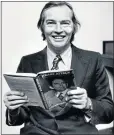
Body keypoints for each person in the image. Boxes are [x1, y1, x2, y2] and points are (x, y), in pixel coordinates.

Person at [3, 1, 114, 135]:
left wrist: (88, 103)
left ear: (74, 27)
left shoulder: (93, 59)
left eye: (65, 23)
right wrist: (13, 109)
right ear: (42, 27)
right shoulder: (27, 62)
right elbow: (20, 118)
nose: (58, 29)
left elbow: (109, 112)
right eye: (50, 22)